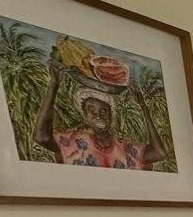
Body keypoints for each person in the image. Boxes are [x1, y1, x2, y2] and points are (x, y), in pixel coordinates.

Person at [31, 57, 169, 170]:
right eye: (92, 111)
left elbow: (159, 153)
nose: (98, 116)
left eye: (103, 111)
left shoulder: (125, 148)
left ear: (111, 116)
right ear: (85, 116)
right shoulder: (73, 141)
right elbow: (41, 137)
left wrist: (143, 106)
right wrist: (53, 86)